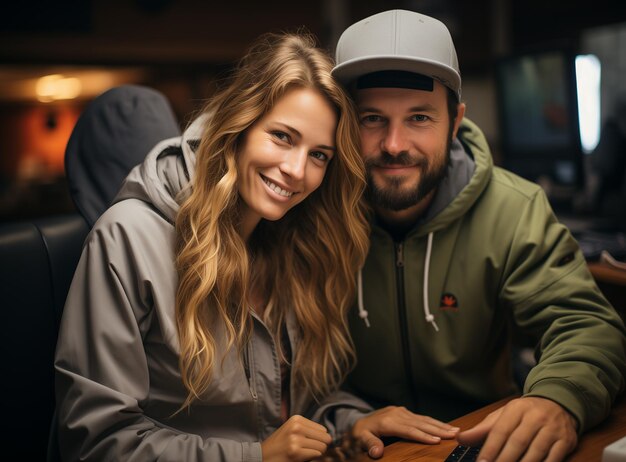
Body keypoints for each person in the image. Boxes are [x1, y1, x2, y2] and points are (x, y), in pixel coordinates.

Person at [54, 32, 459, 461]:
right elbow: (94, 442)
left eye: (319, 155)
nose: (296, 170)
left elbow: (286, 409)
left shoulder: (290, 238)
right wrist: (255, 457)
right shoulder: (127, 238)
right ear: (239, 125)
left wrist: (349, 424)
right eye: (283, 137)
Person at [331, 9, 626, 461]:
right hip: (358, 441)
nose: (393, 144)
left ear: (455, 121)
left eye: (419, 118)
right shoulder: (314, 214)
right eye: (372, 118)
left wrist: (556, 398)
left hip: (477, 436)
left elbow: (586, 325)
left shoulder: (513, 209)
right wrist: (344, 416)